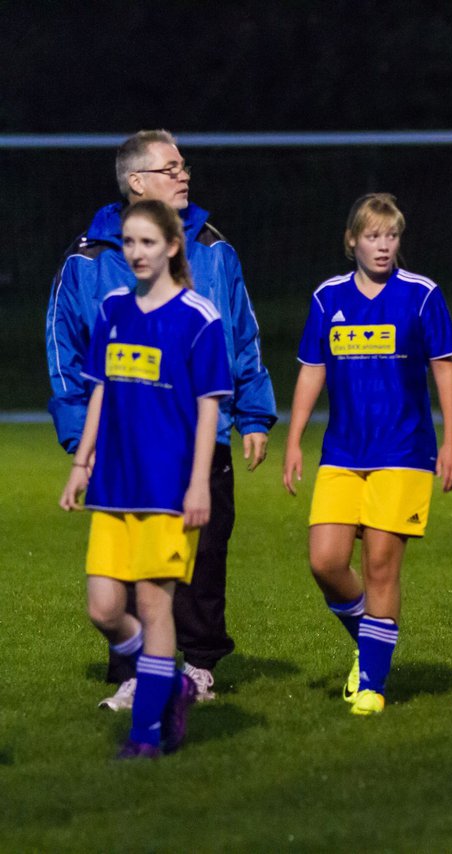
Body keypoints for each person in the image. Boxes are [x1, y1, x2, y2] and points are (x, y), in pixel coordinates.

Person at [45, 129, 276, 711]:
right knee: (120, 573)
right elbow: (68, 356)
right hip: (123, 448)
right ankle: (136, 671)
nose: (185, 175)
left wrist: (253, 413)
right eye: (171, 168)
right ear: (137, 183)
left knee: (203, 560)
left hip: (200, 442)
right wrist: (81, 442)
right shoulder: (91, 261)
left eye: (184, 166)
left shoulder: (215, 248)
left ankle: (196, 667)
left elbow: (240, 335)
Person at [59, 200, 231, 758]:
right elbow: (101, 390)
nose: (136, 253)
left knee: (156, 608)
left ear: (173, 247)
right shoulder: (111, 310)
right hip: (113, 481)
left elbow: (209, 407)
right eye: (129, 242)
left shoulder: (198, 317)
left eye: (148, 243)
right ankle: (171, 681)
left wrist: (200, 483)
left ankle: (147, 732)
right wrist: (81, 463)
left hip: (167, 487)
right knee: (104, 609)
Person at [283, 192, 452, 716]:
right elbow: (313, 368)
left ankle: (374, 685)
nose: (384, 246)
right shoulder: (327, 298)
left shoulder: (422, 295)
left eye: (392, 236)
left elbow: (445, 369)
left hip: (403, 451)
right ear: (352, 241)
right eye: (373, 236)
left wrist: (451, 442)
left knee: (380, 564)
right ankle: (372, 641)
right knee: (325, 562)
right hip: (342, 451)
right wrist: (293, 438)